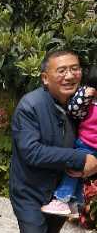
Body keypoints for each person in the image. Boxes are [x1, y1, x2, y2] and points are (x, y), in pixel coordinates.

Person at [5, 49, 97, 233]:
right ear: (46, 78)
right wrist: (79, 159)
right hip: (29, 192)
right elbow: (31, 152)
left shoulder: (83, 104)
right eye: (62, 70)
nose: (70, 75)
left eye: (75, 68)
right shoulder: (30, 106)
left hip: (61, 193)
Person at [41, 64, 97, 216]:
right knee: (78, 174)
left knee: (72, 171)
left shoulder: (89, 100)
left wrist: (84, 96)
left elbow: (73, 110)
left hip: (87, 145)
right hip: (87, 144)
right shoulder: (91, 100)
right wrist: (86, 95)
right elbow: (75, 111)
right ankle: (74, 202)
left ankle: (61, 200)